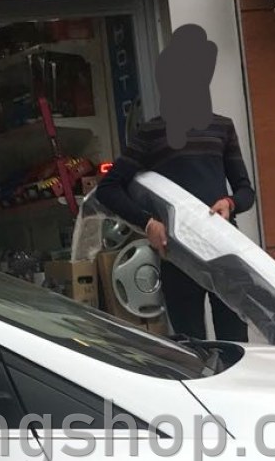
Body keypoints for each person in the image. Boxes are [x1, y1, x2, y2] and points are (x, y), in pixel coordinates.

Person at [95, 24, 254, 342]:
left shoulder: (222, 127)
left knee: (235, 341)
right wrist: (148, 223)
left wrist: (230, 203)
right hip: (177, 252)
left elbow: (246, 191)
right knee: (190, 344)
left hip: (222, 247)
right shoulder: (151, 132)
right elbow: (108, 188)